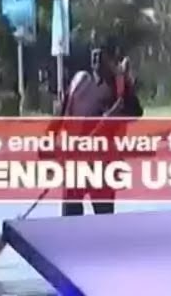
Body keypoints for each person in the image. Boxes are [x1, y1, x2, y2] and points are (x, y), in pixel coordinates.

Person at [60, 43, 143, 216]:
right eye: (94, 54)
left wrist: (125, 81)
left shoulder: (118, 87)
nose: (96, 58)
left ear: (110, 61)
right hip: (77, 160)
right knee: (70, 214)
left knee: (103, 217)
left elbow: (135, 112)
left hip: (102, 164)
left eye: (101, 55)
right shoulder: (81, 82)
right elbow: (63, 115)